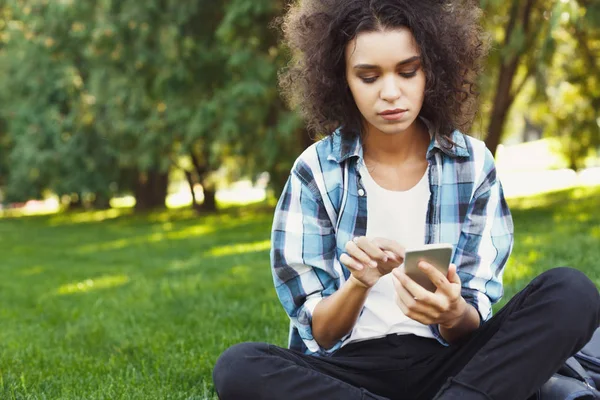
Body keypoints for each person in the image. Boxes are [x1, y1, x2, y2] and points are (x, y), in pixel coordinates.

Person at [212, 0, 600, 399]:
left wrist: (452, 311)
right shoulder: (315, 171)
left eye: (407, 71)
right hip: (348, 372)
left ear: (431, 69)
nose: (391, 93)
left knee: (572, 292)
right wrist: (358, 284)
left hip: (451, 362)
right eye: (369, 77)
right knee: (239, 367)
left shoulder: (472, 164)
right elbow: (322, 333)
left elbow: (471, 319)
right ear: (340, 79)